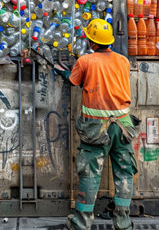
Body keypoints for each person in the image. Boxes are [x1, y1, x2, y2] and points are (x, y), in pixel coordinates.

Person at [54, 19, 138, 230]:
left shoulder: (85, 61)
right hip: (123, 125)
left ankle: (81, 223)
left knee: (90, 173)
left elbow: (73, 81)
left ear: (91, 41)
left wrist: (61, 70)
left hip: (97, 128)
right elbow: (109, 82)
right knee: (124, 173)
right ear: (108, 40)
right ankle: (123, 222)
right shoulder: (123, 61)